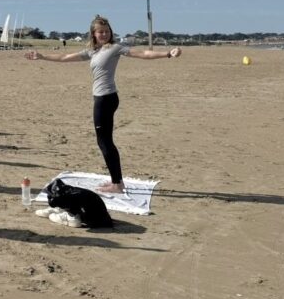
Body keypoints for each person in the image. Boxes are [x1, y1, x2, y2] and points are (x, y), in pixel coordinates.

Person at [25, 15, 181, 193]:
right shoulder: (93, 51)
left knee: (105, 142)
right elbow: (65, 56)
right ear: (94, 34)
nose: (104, 34)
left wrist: (168, 53)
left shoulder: (115, 48)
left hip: (106, 99)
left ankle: (117, 184)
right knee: (105, 141)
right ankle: (117, 182)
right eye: (101, 32)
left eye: (107, 31)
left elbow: (142, 53)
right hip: (101, 98)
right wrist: (42, 56)